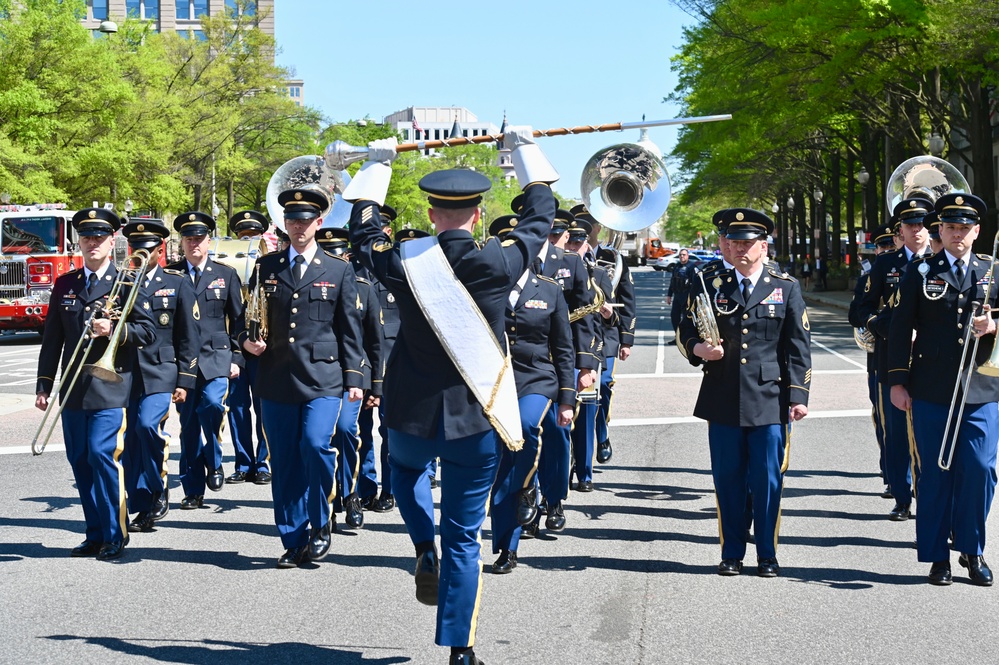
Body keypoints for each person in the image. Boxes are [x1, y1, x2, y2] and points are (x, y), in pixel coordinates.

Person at [345, 126, 557, 665]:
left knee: (407, 477)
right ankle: (460, 649)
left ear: (433, 212)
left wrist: (379, 165)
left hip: (410, 412)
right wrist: (523, 149)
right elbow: (540, 215)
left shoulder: (405, 262)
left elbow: (362, 233)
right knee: (463, 535)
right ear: (480, 214)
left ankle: (421, 547)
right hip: (476, 418)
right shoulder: (500, 261)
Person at [679, 208, 811, 577]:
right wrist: (697, 349)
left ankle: (767, 554)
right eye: (733, 242)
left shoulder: (785, 287)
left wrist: (799, 396)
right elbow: (684, 328)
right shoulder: (709, 283)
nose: (739, 249)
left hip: (770, 397)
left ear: (763, 246)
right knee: (728, 479)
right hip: (722, 394)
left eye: (747, 243)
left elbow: (798, 347)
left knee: (767, 481)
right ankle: (732, 552)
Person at [242, 189, 365, 568]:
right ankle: (294, 538)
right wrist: (249, 342)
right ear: (284, 224)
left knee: (315, 446)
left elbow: (350, 330)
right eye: (292, 219)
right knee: (284, 461)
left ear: (319, 223)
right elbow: (250, 320)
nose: (298, 226)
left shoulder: (338, 268)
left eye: (305, 219)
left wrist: (354, 377)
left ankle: (321, 521)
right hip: (276, 377)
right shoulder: (268, 266)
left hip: (322, 377)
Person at [888, 193, 997, 587]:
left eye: (965, 228)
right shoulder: (919, 271)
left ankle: (972, 548)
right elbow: (900, 329)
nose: (958, 234)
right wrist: (896, 382)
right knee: (934, 474)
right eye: (950, 227)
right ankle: (938, 558)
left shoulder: (993, 271)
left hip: (983, 386)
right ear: (941, 230)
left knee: (980, 469)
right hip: (931, 386)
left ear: (977, 231)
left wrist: (994, 327)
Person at [35, 208, 156, 560]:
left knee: (102, 455)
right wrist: (44, 385)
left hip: (112, 386)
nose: (92, 242)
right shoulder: (65, 284)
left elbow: (148, 332)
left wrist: (115, 331)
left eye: (99, 236)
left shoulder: (127, 282)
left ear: (112, 240)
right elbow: (52, 340)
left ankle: (116, 533)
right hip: (74, 388)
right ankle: (95, 533)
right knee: (81, 461)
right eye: (86, 236)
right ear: (79, 242)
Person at [486, 214, 575, 574]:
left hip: (537, 379)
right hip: (493, 382)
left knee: (524, 427)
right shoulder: (483, 288)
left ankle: (528, 488)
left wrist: (567, 399)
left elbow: (564, 348)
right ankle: (507, 548)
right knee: (499, 464)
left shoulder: (549, 289)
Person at [857, 198, 933, 521]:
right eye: (909, 225)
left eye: (921, 224)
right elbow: (860, 309)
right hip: (891, 361)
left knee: (929, 440)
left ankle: (929, 500)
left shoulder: (942, 261)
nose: (915, 230)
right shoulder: (885, 265)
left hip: (931, 364)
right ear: (900, 230)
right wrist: (882, 325)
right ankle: (903, 498)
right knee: (898, 436)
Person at [121, 218, 199, 533]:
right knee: (130, 440)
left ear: (160, 249)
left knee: (146, 427)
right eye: (135, 247)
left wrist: (184, 380)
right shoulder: (122, 282)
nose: (141, 253)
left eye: (148, 248)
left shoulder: (177, 282)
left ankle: (159, 485)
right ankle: (143, 504)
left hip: (162, 370)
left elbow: (188, 336)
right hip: (126, 372)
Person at [167, 212, 246, 510]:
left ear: (209, 241)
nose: (193, 244)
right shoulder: (172, 275)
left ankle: (214, 460)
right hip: (183, 362)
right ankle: (192, 489)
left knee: (213, 405)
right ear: (182, 243)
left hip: (217, 357)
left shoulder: (225, 274)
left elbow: (238, 320)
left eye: (199, 239)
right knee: (187, 426)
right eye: (188, 239)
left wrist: (238, 356)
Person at [315, 226, 383, 530]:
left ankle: (351, 494)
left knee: (345, 429)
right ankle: (327, 501)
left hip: (355, 372)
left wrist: (376, 385)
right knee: (323, 436)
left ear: (347, 253)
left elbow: (375, 340)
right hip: (319, 372)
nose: (333, 255)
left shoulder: (362, 286)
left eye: (338, 250)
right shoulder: (312, 284)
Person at [848, 223, 897, 499]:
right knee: (883, 414)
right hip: (879, 351)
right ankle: (891, 472)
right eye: (883, 246)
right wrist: (875, 318)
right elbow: (855, 314)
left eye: (892, 244)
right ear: (876, 249)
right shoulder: (869, 274)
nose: (887, 249)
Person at [224, 210, 272, 485]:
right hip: (235, 349)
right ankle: (243, 462)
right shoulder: (229, 270)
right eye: (244, 237)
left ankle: (263, 461)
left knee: (264, 407)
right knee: (238, 408)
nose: (249, 242)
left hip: (263, 348)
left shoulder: (270, 268)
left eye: (254, 237)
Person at [667, 248, 695, 344]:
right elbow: (672, 281)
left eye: (684, 255)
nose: (682, 256)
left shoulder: (691, 267)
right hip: (677, 295)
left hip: (687, 296)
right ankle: (677, 337)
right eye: (680, 255)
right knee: (674, 317)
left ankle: (685, 338)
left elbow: (696, 284)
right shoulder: (677, 266)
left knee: (686, 318)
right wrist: (669, 295)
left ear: (687, 256)